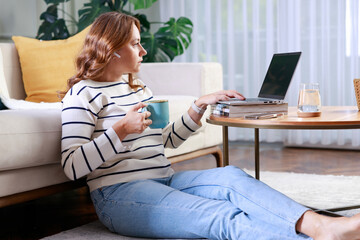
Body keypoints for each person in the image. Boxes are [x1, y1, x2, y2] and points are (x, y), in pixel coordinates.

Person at [60, 12, 360, 240]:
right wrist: (121, 130)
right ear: (111, 48)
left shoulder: (138, 89)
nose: (143, 51)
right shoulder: (84, 94)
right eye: (136, 44)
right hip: (117, 195)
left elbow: (165, 141)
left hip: (163, 178)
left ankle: (323, 226)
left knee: (231, 177)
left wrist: (198, 105)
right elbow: (72, 166)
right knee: (219, 216)